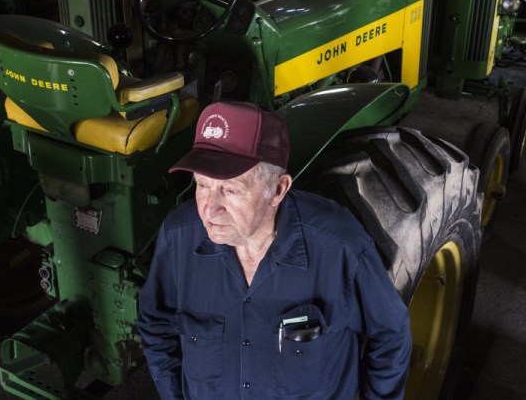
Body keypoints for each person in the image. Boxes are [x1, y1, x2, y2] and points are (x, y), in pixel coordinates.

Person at [137, 102, 411, 399]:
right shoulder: (179, 237)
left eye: (230, 190)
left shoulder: (339, 246)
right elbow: (155, 322)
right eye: (202, 186)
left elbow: (390, 335)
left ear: (278, 189)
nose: (210, 209)